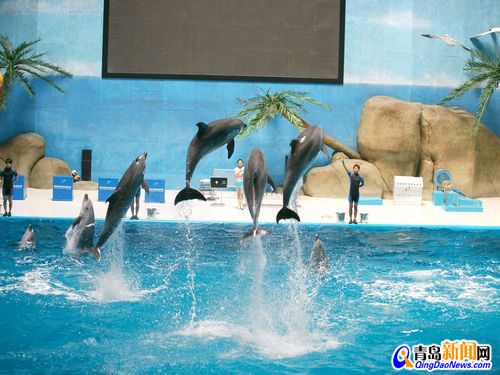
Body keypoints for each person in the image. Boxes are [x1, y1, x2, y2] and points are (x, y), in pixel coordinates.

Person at [342, 160, 364, 224]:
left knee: (356, 206)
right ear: (353, 169)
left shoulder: (361, 177)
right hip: (351, 194)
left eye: (357, 168)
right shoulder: (351, 175)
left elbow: (363, 183)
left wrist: (359, 186)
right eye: (354, 168)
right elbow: (346, 169)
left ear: (358, 169)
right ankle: (350, 219)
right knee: (350, 206)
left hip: (357, 194)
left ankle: (355, 219)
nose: (355, 169)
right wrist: (343, 163)